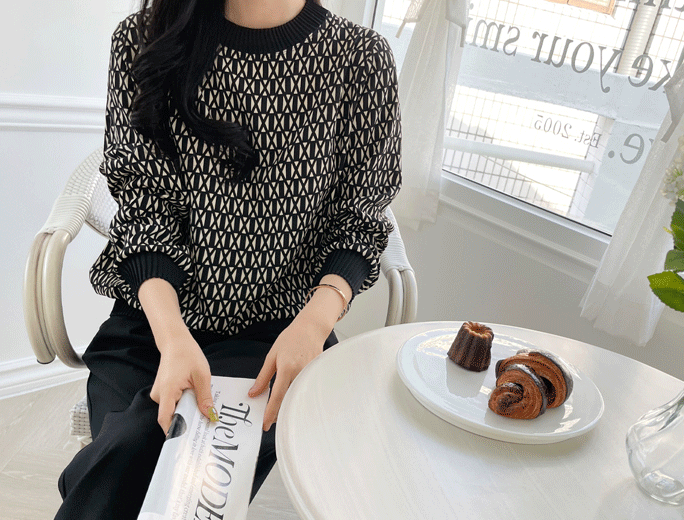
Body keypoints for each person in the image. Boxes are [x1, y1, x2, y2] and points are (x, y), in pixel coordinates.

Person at [54, 0, 401, 517]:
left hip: (278, 336)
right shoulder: (144, 40)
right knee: (131, 447)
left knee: (158, 472)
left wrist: (313, 326)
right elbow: (145, 212)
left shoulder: (360, 58)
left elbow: (362, 218)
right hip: (154, 323)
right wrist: (173, 339)